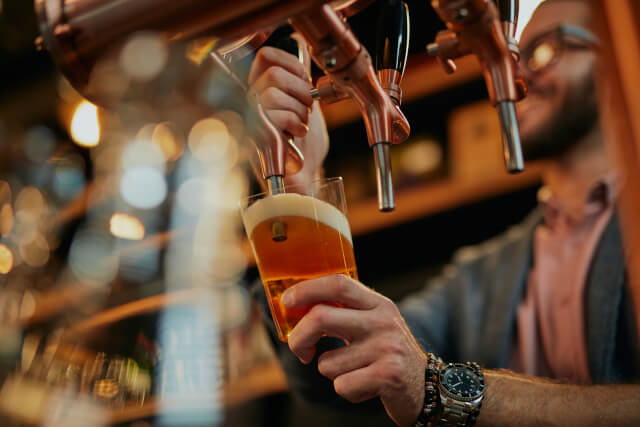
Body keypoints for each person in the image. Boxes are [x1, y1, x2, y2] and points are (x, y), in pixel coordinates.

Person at [247, 0, 640, 425]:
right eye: (515, 57)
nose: (518, 75)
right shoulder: (482, 275)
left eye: (546, 51)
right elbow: (340, 373)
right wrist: (300, 189)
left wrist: (437, 386)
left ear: (620, 52)